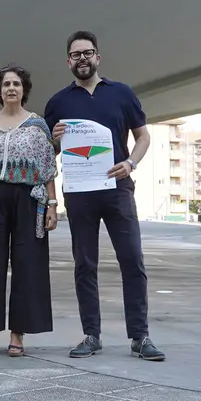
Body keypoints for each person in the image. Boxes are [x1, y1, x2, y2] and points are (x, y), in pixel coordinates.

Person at [44, 30, 165, 362]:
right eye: (76, 54)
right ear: (68, 61)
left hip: (118, 189)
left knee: (132, 261)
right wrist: (54, 139)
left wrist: (131, 162)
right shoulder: (58, 102)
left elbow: (142, 136)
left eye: (88, 53)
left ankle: (140, 337)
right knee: (85, 264)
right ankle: (91, 335)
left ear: (98, 57)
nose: (82, 59)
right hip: (80, 192)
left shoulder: (122, 94)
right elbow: (48, 153)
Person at [0, 65, 57, 356]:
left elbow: (48, 166)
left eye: (16, 83)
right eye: (6, 84)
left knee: (28, 262)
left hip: (28, 197)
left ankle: (18, 333)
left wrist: (53, 204)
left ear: (24, 89)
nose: (11, 88)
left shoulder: (38, 124)